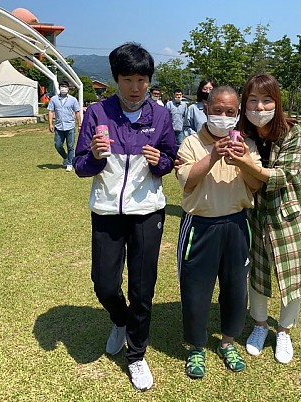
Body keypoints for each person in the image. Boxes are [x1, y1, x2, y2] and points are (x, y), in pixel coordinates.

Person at [73, 43, 177, 391]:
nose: (135, 87)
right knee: (104, 284)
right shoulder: (97, 113)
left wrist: (159, 162)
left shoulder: (160, 116)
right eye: (128, 79)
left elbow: (170, 159)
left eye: (142, 80)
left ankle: (136, 355)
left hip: (147, 211)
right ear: (116, 79)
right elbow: (80, 166)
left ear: (149, 81)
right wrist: (95, 156)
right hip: (107, 211)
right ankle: (120, 320)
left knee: (142, 288)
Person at [228, 74, 301, 364]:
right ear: (244, 103)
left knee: (292, 274)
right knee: (258, 273)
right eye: (253, 100)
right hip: (255, 213)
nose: (259, 107)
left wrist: (246, 164)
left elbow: (286, 175)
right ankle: (260, 324)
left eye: (267, 100)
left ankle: (284, 330)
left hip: (291, 213)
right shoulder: (240, 132)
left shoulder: (292, 132)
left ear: (277, 102)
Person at [176, 86, 262, 379]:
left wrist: (244, 161)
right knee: (195, 289)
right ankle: (196, 347)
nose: (223, 117)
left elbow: (255, 185)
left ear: (237, 114)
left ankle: (228, 342)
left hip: (237, 225)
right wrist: (212, 156)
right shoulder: (191, 142)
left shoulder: (246, 144)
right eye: (217, 111)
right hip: (200, 226)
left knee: (236, 288)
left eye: (230, 112)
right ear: (206, 109)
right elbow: (187, 180)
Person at [48, 81, 81, 172]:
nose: (63, 88)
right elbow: (51, 111)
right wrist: (50, 124)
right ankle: (65, 157)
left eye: (65, 86)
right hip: (59, 126)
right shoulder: (54, 99)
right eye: (62, 86)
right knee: (58, 145)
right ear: (59, 88)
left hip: (70, 126)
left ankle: (70, 163)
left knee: (70, 146)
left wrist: (79, 124)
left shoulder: (73, 100)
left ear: (68, 88)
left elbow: (77, 112)